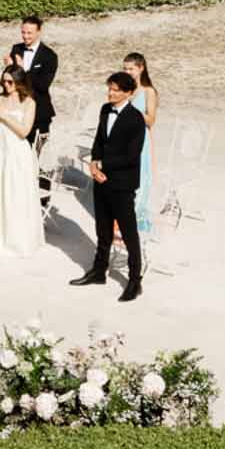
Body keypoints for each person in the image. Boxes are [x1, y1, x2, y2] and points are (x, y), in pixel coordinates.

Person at [72, 72, 148, 302]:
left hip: (122, 183)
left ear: (128, 93)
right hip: (101, 179)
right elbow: (98, 140)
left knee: (128, 232)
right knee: (102, 229)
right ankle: (98, 270)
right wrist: (94, 163)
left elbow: (131, 156)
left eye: (116, 89)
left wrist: (104, 164)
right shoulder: (105, 110)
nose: (111, 92)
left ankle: (135, 280)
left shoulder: (136, 119)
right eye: (110, 88)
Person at [0, 63, 42, 257]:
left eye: (10, 81)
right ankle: (3, 239)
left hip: (18, 153)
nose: (6, 85)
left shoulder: (29, 103)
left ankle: (20, 241)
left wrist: (3, 114)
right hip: (0, 150)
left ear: (19, 82)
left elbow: (24, 131)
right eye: (4, 81)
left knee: (17, 193)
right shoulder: (0, 99)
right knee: (1, 192)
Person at [6, 16, 58, 141]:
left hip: (39, 110)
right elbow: (10, 80)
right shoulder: (16, 49)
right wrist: (8, 68)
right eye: (23, 32)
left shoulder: (49, 55)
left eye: (29, 33)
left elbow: (43, 85)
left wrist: (22, 71)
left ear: (39, 32)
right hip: (17, 108)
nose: (25, 36)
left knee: (33, 154)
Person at [123, 51, 158, 237]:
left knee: (140, 179)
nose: (128, 72)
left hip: (139, 139)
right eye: (125, 69)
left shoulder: (148, 92)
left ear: (141, 68)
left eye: (131, 69)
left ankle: (136, 219)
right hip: (123, 139)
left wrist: (129, 109)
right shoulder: (123, 89)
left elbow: (151, 120)